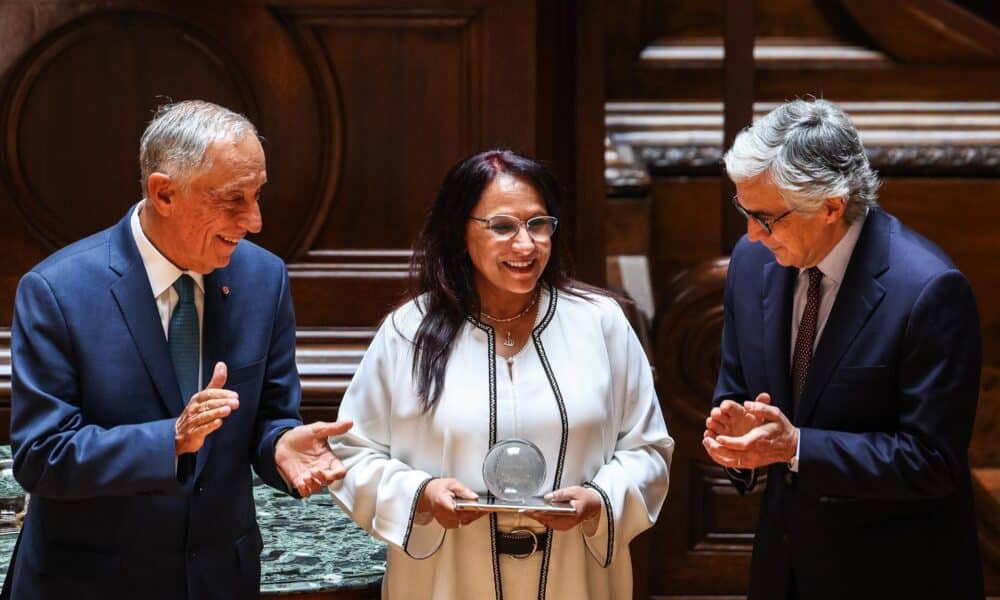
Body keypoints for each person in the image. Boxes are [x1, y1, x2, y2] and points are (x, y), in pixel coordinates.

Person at [6, 100, 352, 599]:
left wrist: (279, 446)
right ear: (164, 193)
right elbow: (42, 456)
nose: (254, 221)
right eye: (233, 200)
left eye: (257, 196)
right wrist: (169, 440)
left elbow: (271, 418)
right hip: (90, 582)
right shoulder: (58, 292)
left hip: (219, 579)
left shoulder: (263, 278)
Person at [327, 149, 674, 599]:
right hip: (448, 578)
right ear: (460, 231)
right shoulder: (409, 332)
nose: (526, 245)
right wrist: (420, 493)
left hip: (574, 578)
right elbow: (351, 454)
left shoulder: (600, 322)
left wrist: (600, 500)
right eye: (503, 227)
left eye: (538, 224)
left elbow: (647, 450)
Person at [702, 98, 983, 599]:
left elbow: (932, 460)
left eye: (765, 218)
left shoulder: (928, 290)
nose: (749, 234)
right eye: (744, 210)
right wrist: (736, 444)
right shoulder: (752, 263)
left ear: (831, 206)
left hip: (893, 574)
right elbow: (739, 395)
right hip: (783, 570)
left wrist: (797, 447)